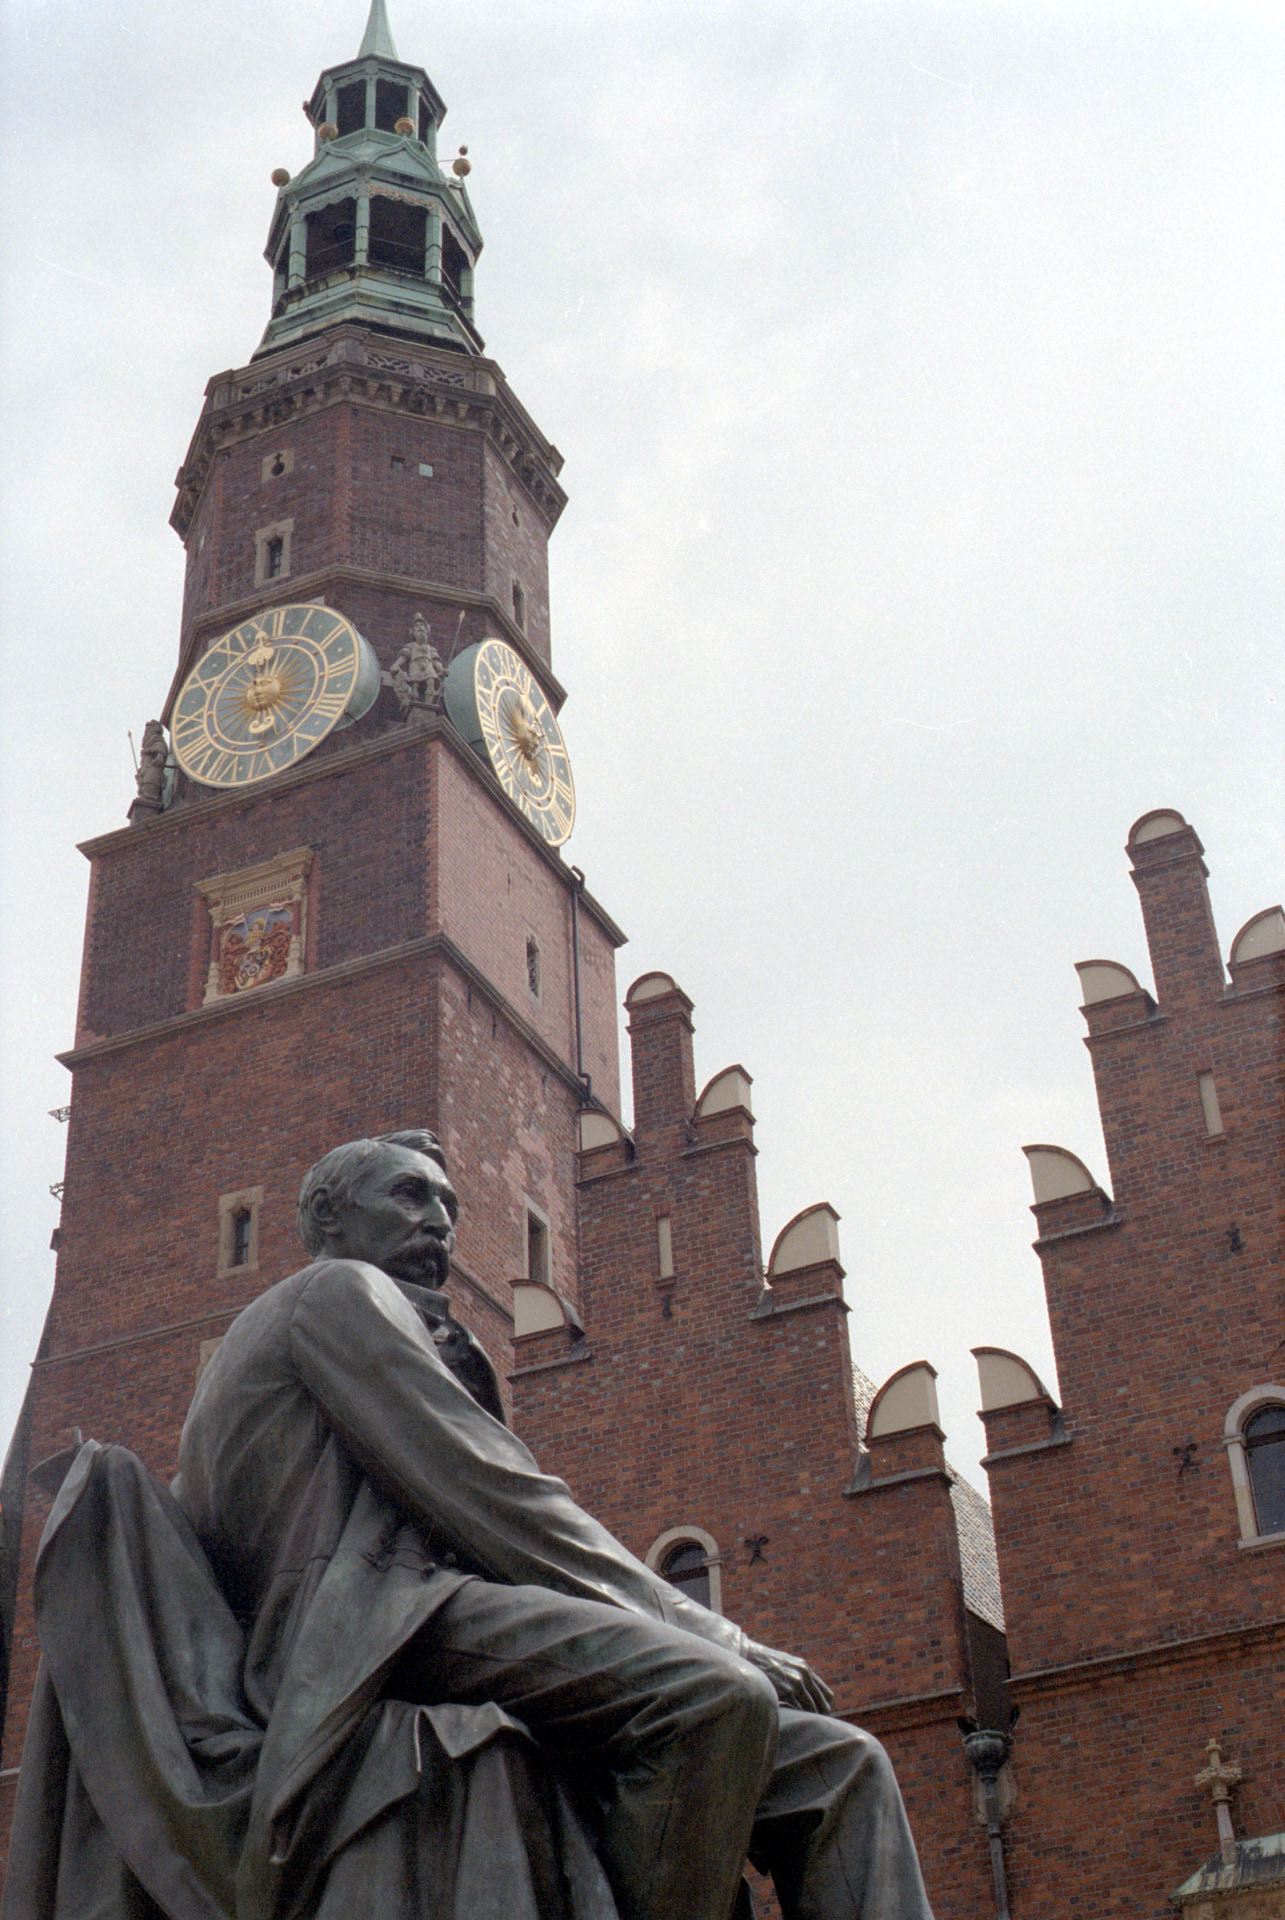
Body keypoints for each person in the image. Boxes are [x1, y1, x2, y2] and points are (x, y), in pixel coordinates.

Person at [172, 1128, 934, 1920]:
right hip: (367, 1628)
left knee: (845, 1766)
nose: (439, 1221)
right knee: (716, 1695)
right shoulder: (333, 1296)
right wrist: (717, 1635)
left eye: (448, 1203)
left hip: (437, 1616)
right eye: (408, 1195)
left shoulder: (399, 1324)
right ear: (328, 1217)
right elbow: (493, 1497)